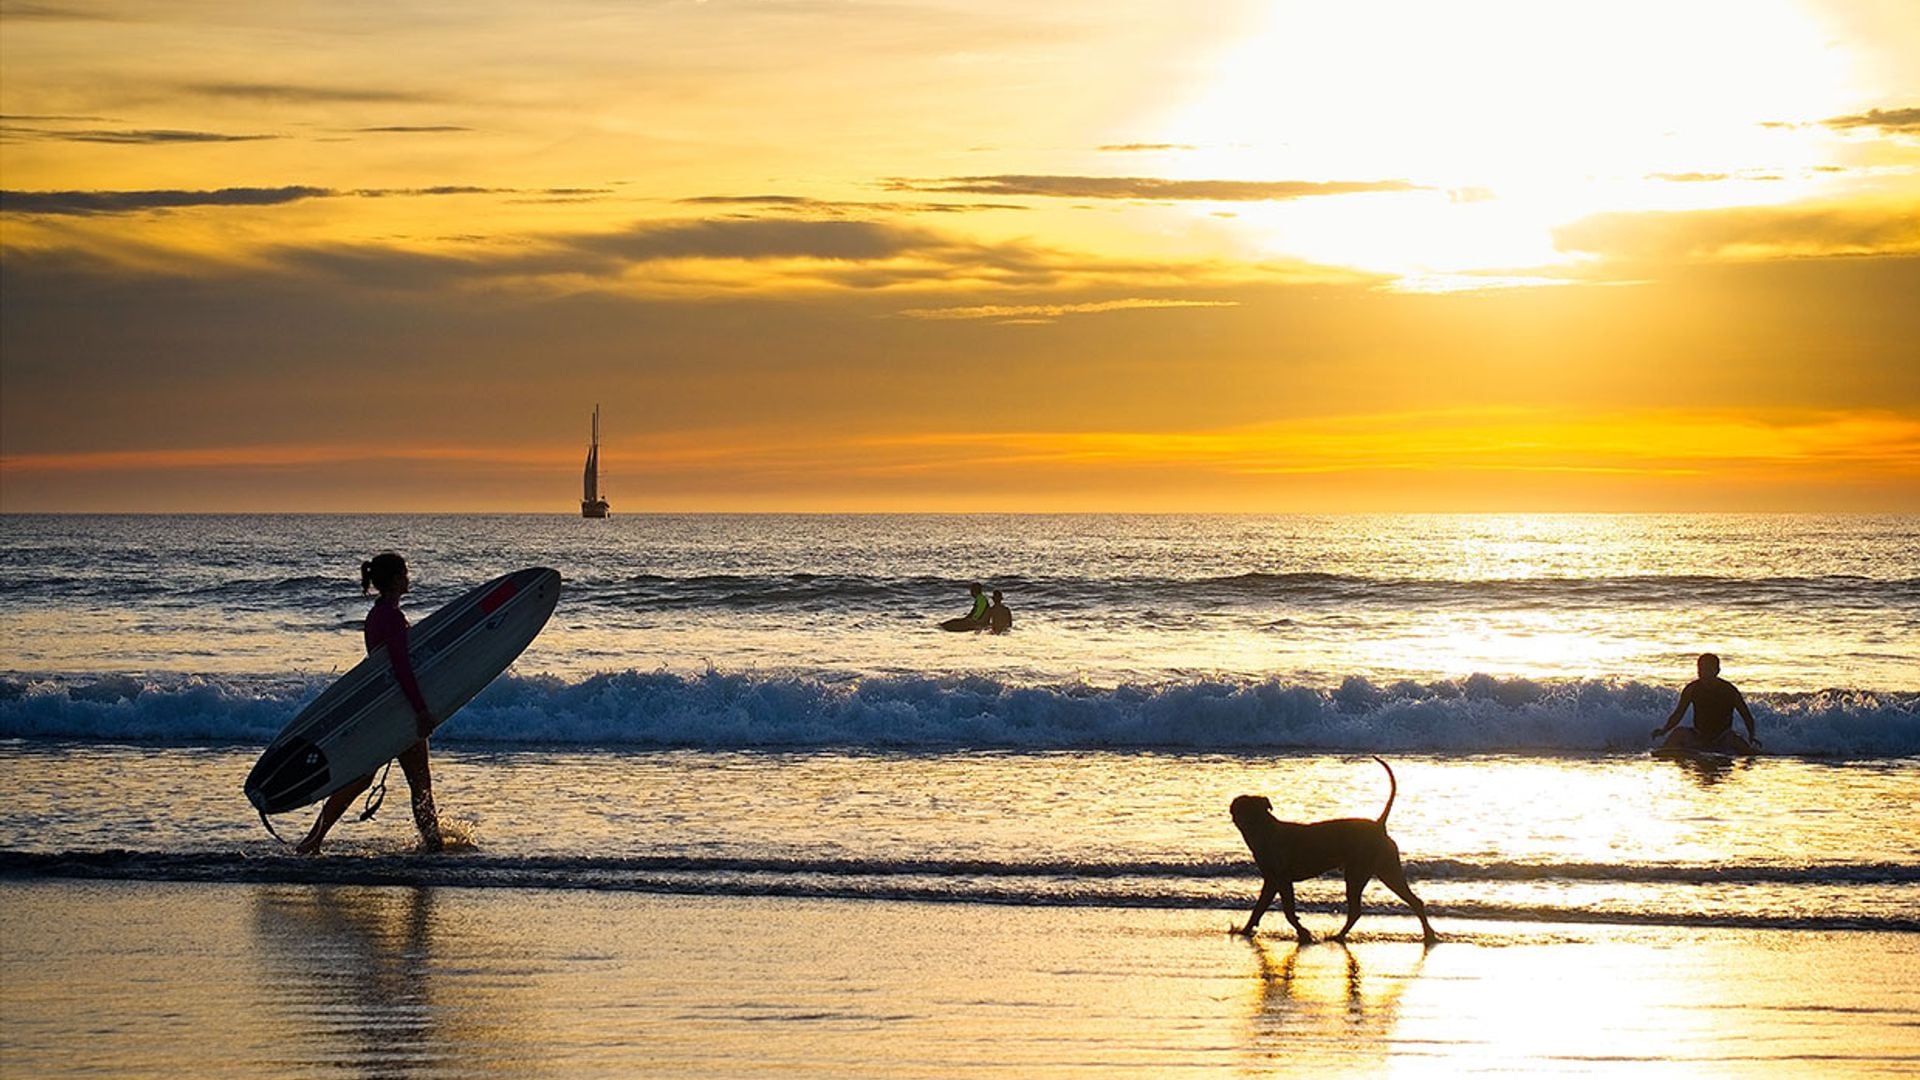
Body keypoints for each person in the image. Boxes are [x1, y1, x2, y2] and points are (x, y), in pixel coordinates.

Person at [295, 552, 444, 854]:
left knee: (363, 777)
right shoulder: (391, 617)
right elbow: (401, 666)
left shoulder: (377, 614)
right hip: (400, 709)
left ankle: (313, 840)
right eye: (404, 572)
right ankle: (434, 846)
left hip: (385, 708)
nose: (408, 577)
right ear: (393, 580)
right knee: (420, 785)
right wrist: (420, 710)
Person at [1651, 652, 1759, 753]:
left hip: (1723, 737)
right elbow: (1678, 713)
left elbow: (1746, 715)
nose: (1703, 673)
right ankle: (1664, 754)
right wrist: (1664, 730)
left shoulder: (1729, 690)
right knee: (1678, 733)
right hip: (1699, 736)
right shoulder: (1692, 689)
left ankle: (1754, 754)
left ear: (1717, 671)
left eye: (1708, 669)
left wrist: (1752, 736)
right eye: (1701, 669)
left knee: (1736, 740)